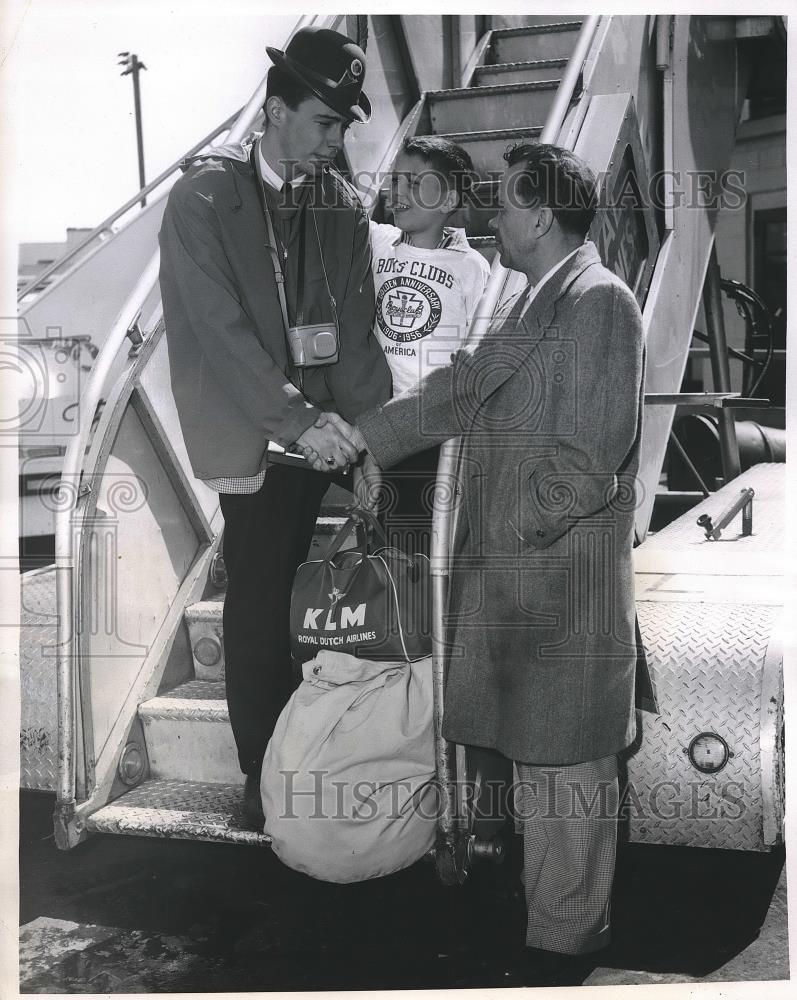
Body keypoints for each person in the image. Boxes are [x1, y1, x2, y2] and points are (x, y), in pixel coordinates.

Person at [341, 142, 648, 983]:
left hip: (557, 591)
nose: (491, 218)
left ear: (542, 216)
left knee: (567, 772)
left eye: (506, 204)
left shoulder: (597, 304)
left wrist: (502, 532)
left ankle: (564, 952)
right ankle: (550, 930)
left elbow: (585, 462)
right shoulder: (533, 300)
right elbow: (460, 389)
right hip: (525, 590)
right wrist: (364, 438)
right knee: (539, 767)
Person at [158, 26, 391, 831]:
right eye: (325, 123)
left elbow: (356, 340)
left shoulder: (340, 206)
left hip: (327, 425)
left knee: (414, 530)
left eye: (343, 127)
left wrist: (376, 446)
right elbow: (218, 333)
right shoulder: (201, 199)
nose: (336, 142)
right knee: (259, 598)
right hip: (260, 437)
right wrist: (299, 422)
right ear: (276, 109)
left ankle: (390, 752)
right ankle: (264, 781)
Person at [366, 136, 490, 556]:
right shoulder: (377, 242)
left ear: (449, 197)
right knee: (387, 561)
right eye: (396, 180)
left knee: (422, 557)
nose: (398, 193)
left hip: (432, 432)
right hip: (379, 426)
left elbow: (480, 357)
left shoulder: (472, 268)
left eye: (416, 183)